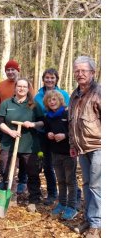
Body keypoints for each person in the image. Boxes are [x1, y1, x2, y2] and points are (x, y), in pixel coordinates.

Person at [0, 78, 45, 207]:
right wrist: (9, 132)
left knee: (33, 172)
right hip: (9, 143)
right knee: (7, 170)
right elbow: (0, 121)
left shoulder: (34, 104)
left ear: (28, 89)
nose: (21, 89)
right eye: (19, 86)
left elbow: (42, 122)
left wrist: (33, 124)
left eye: (24, 86)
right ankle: (11, 197)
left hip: (29, 145)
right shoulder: (7, 103)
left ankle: (34, 199)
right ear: (15, 88)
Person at [68, 56, 101, 237]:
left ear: (92, 73)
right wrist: (73, 144)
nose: (80, 74)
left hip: (98, 147)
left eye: (83, 71)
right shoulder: (74, 94)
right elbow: (71, 123)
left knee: (97, 186)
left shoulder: (99, 92)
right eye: (77, 71)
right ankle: (88, 219)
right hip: (82, 148)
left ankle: (96, 224)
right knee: (87, 184)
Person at [34, 68, 72, 205]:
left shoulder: (63, 94)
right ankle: (52, 193)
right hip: (43, 134)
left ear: (56, 79)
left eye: (52, 78)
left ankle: (72, 196)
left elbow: (68, 113)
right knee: (47, 164)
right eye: (47, 78)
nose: (49, 80)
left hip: (61, 137)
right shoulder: (37, 96)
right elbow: (36, 114)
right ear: (43, 79)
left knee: (64, 167)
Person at [41, 90, 78, 221]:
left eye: (55, 100)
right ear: (46, 102)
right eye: (50, 100)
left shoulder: (67, 114)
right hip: (55, 153)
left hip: (69, 153)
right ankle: (62, 203)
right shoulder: (48, 117)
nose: (52, 102)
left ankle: (72, 206)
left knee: (70, 181)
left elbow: (74, 131)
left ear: (60, 101)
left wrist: (65, 136)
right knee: (61, 180)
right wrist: (49, 134)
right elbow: (46, 131)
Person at [0, 59, 28, 194]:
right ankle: (6, 180)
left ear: (18, 70)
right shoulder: (1, 85)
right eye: (8, 70)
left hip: (23, 129)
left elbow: (32, 103)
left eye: (13, 69)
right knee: (5, 155)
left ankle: (22, 181)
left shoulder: (25, 85)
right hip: (5, 127)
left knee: (23, 156)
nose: (10, 72)